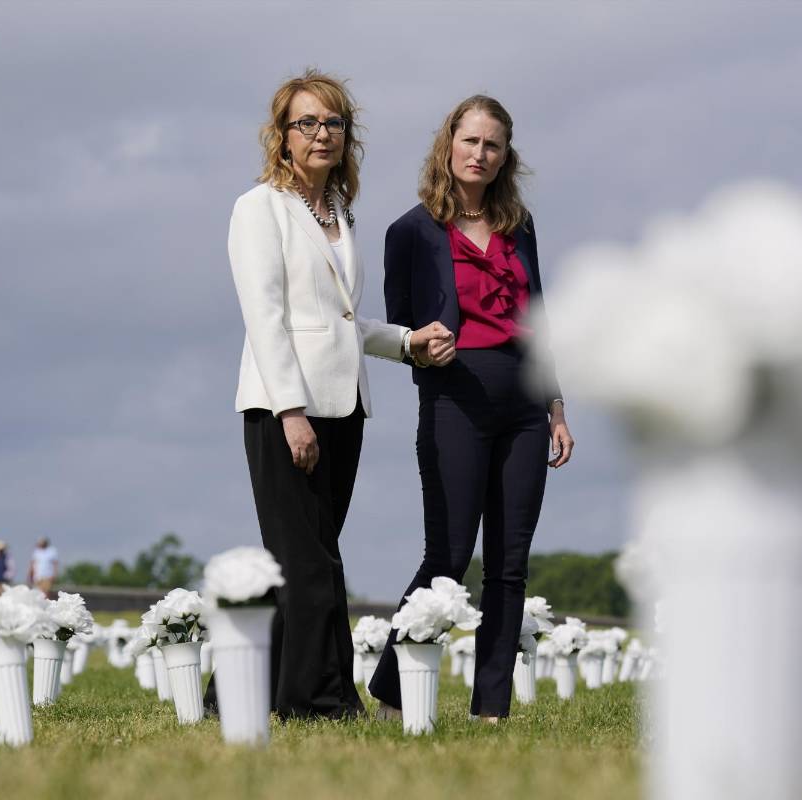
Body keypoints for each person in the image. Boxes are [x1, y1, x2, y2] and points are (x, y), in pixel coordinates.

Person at [225, 69, 455, 721]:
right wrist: (289, 411)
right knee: (312, 565)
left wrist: (408, 343)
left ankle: (235, 692)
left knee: (306, 561)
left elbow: (343, 321)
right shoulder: (259, 208)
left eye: (332, 122)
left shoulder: (337, 214)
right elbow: (266, 316)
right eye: (307, 123)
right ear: (282, 137)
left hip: (345, 407)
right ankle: (319, 701)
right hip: (283, 409)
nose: (321, 133)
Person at [370, 95, 574, 721]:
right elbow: (401, 331)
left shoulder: (521, 225)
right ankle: (392, 688)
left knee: (510, 564)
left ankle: (492, 709)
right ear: (448, 144)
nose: (480, 153)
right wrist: (420, 351)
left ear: (505, 154)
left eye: (493, 144)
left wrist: (557, 408)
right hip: (455, 396)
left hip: (524, 403)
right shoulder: (410, 231)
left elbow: (539, 318)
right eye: (470, 141)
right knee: (449, 558)